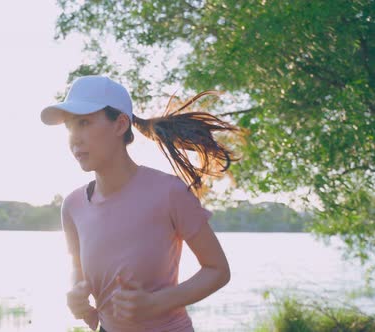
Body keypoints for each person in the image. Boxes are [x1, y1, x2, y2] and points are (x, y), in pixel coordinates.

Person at [40, 75, 242, 331]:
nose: (74, 138)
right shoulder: (72, 206)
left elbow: (217, 270)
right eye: (70, 127)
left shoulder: (169, 192)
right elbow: (78, 271)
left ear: (120, 124)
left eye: (84, 122)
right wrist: (78, 298)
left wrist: (155, 304)